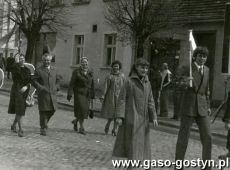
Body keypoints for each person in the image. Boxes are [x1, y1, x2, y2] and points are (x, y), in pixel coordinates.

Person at [112, 58, 158, 167]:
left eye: (146, 68)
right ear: (136, 67)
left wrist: (154, 116)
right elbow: (122, 99)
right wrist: (119, 116)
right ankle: (131, 167)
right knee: (132, 146)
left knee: (143, 147)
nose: (144, 70)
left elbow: (151, 101)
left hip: (143, 120)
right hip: (131, 118)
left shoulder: (148, 83)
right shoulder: (129, 81)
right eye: (142, 67)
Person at [175, 46, 212, 170]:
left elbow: (207, 90)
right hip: (188, 107)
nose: (202, 58)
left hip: (202, 108)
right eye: (200, 56)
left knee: (208, 137)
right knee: (183, 138)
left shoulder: (206, 70)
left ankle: (207, 166)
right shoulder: (187, 68)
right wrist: (186, 81)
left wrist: (208, 105)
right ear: (195, 56)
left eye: (204, 56)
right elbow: (177, 84)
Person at [32, 53, 60, 136]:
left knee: (53, 110)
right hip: (43, 94)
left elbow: (58, 80)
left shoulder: (54, 70)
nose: (46, 62)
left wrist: (57, 87)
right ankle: (43, 128)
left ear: (50, 60)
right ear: (42, 61)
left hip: (53, 94)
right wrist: (40, 88)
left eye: (48, 60)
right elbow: (34, 81)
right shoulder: (38, 70)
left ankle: (45, 123)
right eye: (45, 60)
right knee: (43, 111)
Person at [67, 57, 95, 135]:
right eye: (83, 62)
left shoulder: (90, 71)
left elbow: (92, 83)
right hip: (79, 93)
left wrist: (93, 93)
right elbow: (71, 83)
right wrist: (69, 93)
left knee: (84, 111)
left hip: (87, 94)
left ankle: (75, 121)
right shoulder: (76, 72)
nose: (84, 64)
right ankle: (81, 128)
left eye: (86, 62)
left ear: (88, 63)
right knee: (81, 109)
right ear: (80, 63)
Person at [8, 54, 31, 137]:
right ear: (18, 60)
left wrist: (26, 86)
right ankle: (20, 129)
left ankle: (13, 125)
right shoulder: (15, 68)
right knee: (19, 109)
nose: (22, 60)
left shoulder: (27, 70)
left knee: (21, 110)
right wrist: (16, 63)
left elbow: (29, 80)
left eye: (23, 58)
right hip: (16, 90)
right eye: (20, 59)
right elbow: (16, 76)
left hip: (25, 91)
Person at [100, 60, 125, 136]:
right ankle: (108, 124)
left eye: (117, 66)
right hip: (111, 96)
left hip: (120, 97)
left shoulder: (122, 76)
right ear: (112, 67)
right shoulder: (109, 76)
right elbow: (105, 87)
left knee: (118, 114)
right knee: (111, 113)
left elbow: (124, 87)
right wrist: (103, 95)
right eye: (114, 66)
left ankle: (115, 129)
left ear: (119, 67)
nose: (115, 67)